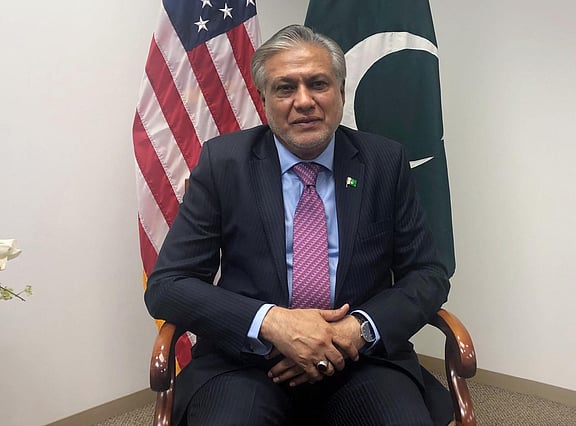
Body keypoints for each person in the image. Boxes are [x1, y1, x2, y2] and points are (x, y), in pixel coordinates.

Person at [145, 24, 453, 426]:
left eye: (318, 84)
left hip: (361, 360)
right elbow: (168, 285)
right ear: (263, 100)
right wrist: (273, 323)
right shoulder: (224, 163)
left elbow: (427, 273)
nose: (304, 101)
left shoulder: (384, 162)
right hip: (247, 363)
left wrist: (355, 331)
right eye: (285, 88)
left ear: (341, 91)